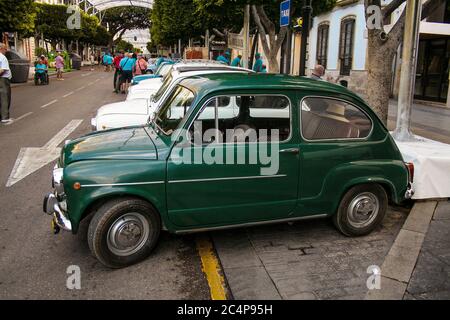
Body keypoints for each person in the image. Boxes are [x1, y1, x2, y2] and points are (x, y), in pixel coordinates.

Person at [0, 43, 12, 124]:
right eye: (5, 49)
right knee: (4, 97)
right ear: (1, 49)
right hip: (3, 79)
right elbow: (3, 70)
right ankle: (4, 117)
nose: (6, 50)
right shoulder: (2, 57)